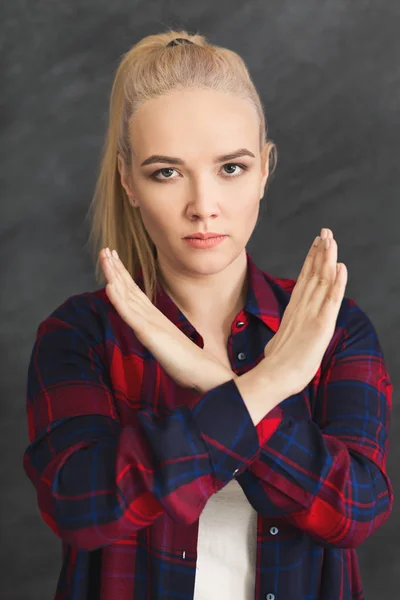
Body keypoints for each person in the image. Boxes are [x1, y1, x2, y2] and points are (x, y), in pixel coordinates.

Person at [22, 29, 393, 600]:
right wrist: (265, 385)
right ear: (129, 180)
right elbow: (82, 506)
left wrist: (213, 383)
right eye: (166, 172)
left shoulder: (334, 328)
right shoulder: (80, 336)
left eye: (232, 168)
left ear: (265, 169)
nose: (203, 206)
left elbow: (354, 511)